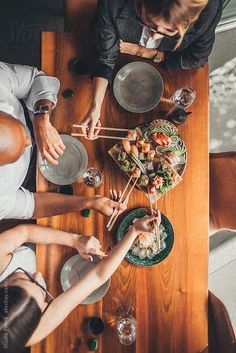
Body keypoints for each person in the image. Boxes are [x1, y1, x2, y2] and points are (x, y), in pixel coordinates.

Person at [0, 215, 158, 353]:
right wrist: (134, 232)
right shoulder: (25, 331)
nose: (38, 274)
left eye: (24, 277)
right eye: (42, 293)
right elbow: (98, 275)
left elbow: (25, 232)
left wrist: (74, 240)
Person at [0, 62, 125, 220]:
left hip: (39, 113)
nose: (29, 142)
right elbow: (33, 206)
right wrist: (90, 202)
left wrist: (41, 119)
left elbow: (37, 79)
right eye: (17, 152)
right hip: (33, 179)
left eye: (19, 131)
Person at [81, 0, 222, 138]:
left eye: (168, 30)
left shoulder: (209, 11)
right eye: (149, 23)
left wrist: (145, 52)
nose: (154, 36)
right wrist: (95, 107)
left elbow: (196, 58)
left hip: (164, 70)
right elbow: (105, 56)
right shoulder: (113, 3)